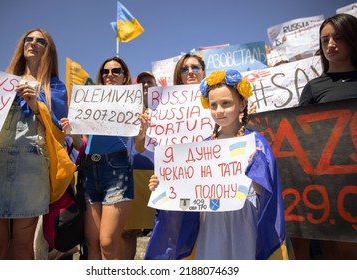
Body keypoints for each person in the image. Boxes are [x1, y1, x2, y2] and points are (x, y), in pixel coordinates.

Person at [145, 69, 288, 260]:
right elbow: (187, 190)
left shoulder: (257, 143)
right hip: (212, 223)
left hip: (245, 220)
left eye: (226, 103)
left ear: (242, 104)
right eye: (213, 105)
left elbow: (268, 195)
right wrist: (163, 185)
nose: (219, 111)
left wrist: (256, 172)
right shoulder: (201, 148)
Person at [0, 29, 70, 260]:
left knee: (23, 247)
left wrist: (36, 103)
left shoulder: (54, 87)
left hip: (31, 165)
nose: (33, 43)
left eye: (40, 41)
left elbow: (58, 130)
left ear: (48, 50)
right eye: (29, 39)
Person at [62, 56, 139, 260]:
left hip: (116, 170)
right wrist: (72, 132)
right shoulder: (91, 102)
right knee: (91, 243)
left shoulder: (132, 102)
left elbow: (139, 146)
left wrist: (143, 129)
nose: (110, 75)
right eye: (105, 72)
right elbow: (81, 144)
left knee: (107, 242)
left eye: (116, 71)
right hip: (89, 169)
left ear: (125, 77)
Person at [297, 13, 357, 260]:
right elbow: (298, 135)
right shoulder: (314, 88)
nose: (330, 44)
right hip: (333, 190)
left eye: (338, 38)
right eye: (325, 40)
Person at [121, 71, 157, 259]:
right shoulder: (127, 110)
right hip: (133, 171)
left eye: (149, 82)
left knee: (161, 227)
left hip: (157, 174)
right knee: (129, 231)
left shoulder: (169, 110)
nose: (145, 85)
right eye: (141, 82)